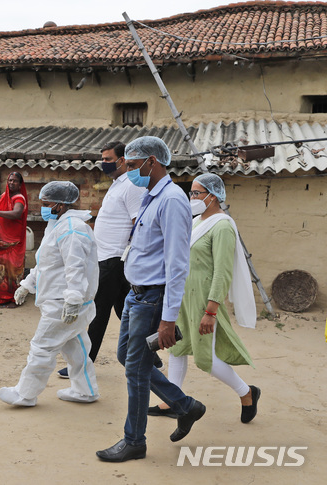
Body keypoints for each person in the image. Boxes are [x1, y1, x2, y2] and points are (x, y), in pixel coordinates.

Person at [96, 136, 206, 463]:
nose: (128, 171)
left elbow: (177, 264)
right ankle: (185, 405)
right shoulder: (150, 196)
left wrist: (168, 319)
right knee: (126, 357)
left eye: (132, 165)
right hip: (136, 295)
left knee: (135, 369)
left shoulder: (171, 200)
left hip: (152, 299)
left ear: (152, 162)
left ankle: (134, 441)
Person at [148, 174, 260, 423]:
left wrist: (210, 311)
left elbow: (222, 270)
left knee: (204, 359)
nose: (192, 198)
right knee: (176, 348)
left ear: (214, 196)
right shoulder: (196, 221)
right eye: (191, 193)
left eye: (197, 194)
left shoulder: (223, 225)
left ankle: (247, 392)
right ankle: (172, 401)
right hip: (182, 297)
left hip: (203, 300)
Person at [0, 181, 99, 406]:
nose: (41, 208)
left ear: (60, 205)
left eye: (46, 204)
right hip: (62, 299)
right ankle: (86, 391)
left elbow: (76, 267)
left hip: (64, 301)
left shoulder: (72, 228)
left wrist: (73, 300)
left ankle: (25, 394)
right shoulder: (57, 225)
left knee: (42, 346)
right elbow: (46, 265)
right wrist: (27, 285)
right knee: (76, 347)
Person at [57, 141, 146, 379]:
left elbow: (138, 223)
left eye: (108, 159)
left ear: (122, 160)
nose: (103, 163)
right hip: (105, 258)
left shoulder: (132, 186)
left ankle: (84, 362)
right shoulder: (118, 184)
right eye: (102, 159)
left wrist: (130, 255)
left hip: (114, 260)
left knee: (97, 312)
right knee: (125, 310)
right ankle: (151, 353)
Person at [0, 172, 28, 306]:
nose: (11, 183)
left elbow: (17, 213)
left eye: (14, 181)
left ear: (20, 184)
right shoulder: (6, 195)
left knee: (11, 271)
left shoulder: (19, 198)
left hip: (12, 242)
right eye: (10, 180)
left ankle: (13, 299)